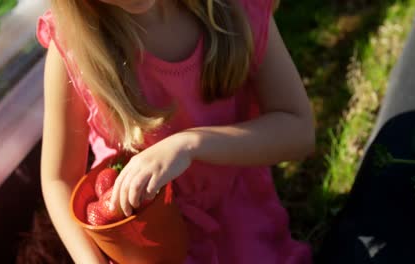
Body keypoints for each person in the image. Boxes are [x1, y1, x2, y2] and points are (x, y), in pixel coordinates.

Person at [37, 0, 315, 263]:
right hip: (141, 235)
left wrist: (190, 145)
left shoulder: (233, 8)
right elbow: (59, 178)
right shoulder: (75, 45)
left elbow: (298, 129)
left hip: (237, 221)